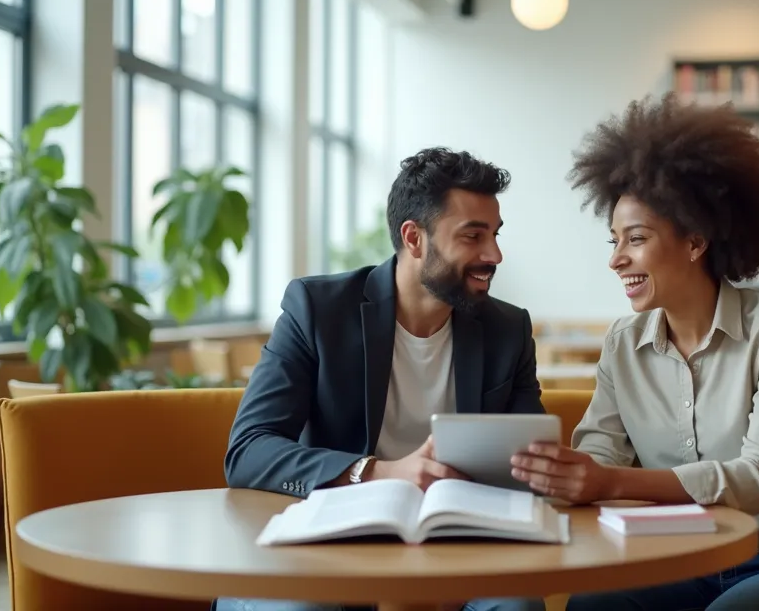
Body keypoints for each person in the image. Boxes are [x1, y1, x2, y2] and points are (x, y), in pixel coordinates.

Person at [508, 94, 759, 610]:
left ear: (695, 243)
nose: (616, 260)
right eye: (613, 241)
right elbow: (601, 451)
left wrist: (610, 481)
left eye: (635, 239)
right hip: (683, 555)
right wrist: (561, 474)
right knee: (589, 606)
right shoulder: (623, 343)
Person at [217, 147, 548, 611]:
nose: (494, 254)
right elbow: (249, 449)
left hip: (454, 546)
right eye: (473, 236)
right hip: (327, 541)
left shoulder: (507, 330)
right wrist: (378, 472)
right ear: (414, 238)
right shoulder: (318, 309)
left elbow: (527, 462)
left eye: (494, 235)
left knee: (517, 606)